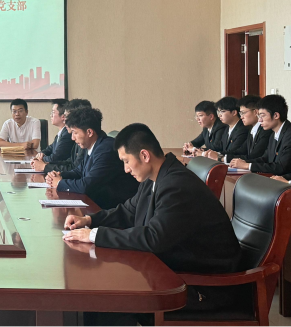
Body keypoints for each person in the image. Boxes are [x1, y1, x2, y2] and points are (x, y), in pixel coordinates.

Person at [62, 122, 242, 326]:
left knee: (111, 298)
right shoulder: (155, 177)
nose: (125, 169)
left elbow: (154, 237)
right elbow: (128, 210)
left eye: (126, 161)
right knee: (103, 289)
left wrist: (94, 235)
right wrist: (90, 220)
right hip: (174, 269)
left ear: (145, 155)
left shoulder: (177, 186)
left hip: (204, 286)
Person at [46, 107, 139, 209]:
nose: (72, 138)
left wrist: (59, 183)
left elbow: (86, 186)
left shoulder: (106, 150)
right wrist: (58, 175)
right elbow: (79, 171)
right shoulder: (93, 145)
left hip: (112, 208)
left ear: (89, 132)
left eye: (75, 132)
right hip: (97, 202)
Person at [230, 94, 291, 175]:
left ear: (276, 115)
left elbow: (281, 167)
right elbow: (265, 158)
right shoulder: (274, 134)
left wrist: (248, 165)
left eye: (262, 116)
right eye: (259, 116)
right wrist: (244, 162)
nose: (260, 120)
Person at [33, 99, 90, 174]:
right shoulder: (75, 137)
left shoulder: (75, 137)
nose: (64, 120)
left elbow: (75, 169)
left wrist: (44, 166)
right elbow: (70, 162)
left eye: (66, 117)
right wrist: (44, 162)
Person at [200, 97, 249, 161]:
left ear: (234, 112)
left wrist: (207, 154)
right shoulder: (226, 128)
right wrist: (203, 151)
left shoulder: (242, 129)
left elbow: (234, 151)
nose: (219, 115)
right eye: (218, 112)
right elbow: (219, 147)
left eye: (222, 111)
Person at [227, 95, 270, 163]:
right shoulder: (252, 129)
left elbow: (255, 156)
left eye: (243, 113)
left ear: (256, 112)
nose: (241, 117)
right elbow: (241, 151)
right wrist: (220, 155)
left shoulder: (265, 130)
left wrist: (224, 158)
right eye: (240, 113)